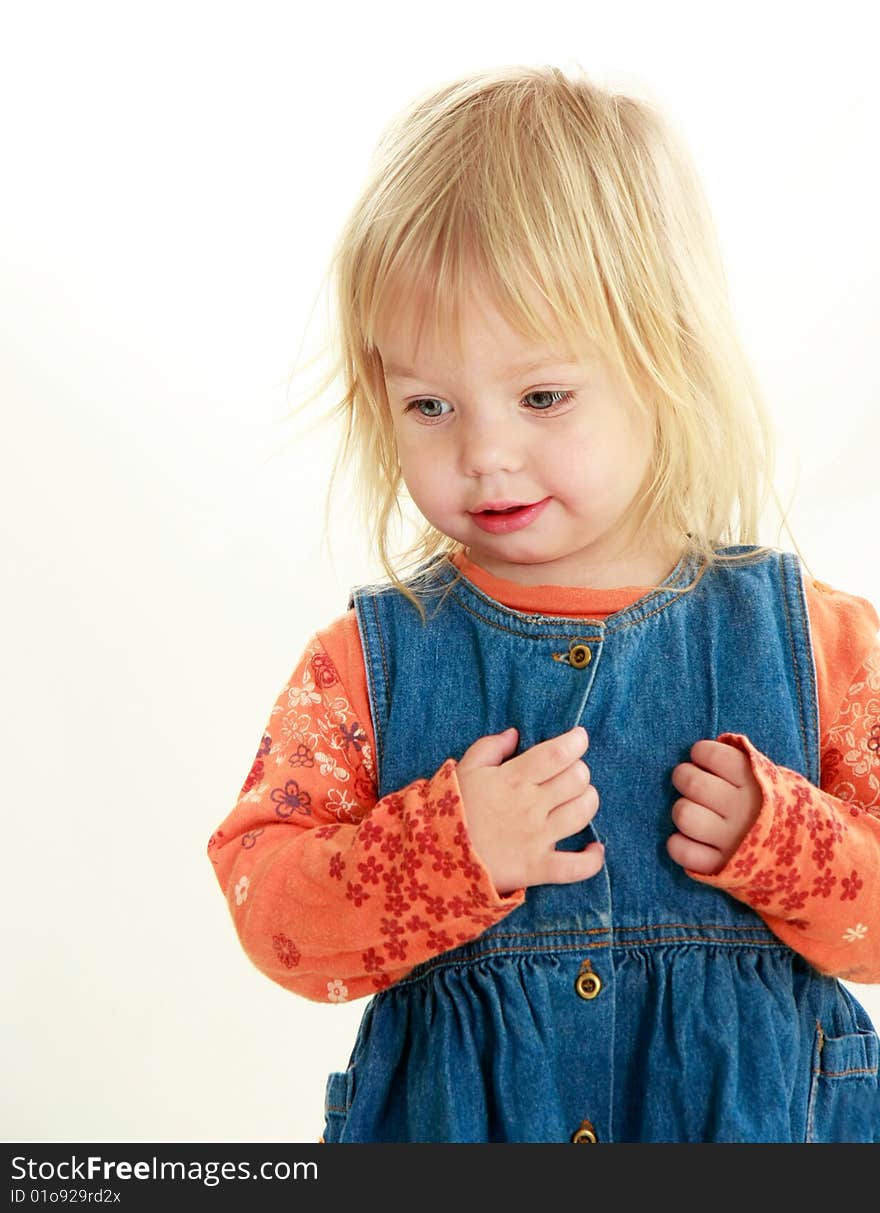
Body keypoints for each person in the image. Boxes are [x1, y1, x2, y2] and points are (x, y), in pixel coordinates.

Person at [206, 64, 880, 1143]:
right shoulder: (365, 664)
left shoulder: (817, 643)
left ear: (666, 359)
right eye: (429, 404)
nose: (483, 453)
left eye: (541, 396)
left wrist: (788, 841)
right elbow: (270, 911)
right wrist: (437, 850)